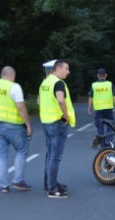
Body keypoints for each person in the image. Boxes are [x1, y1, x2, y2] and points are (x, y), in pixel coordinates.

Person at [39, 59, 76, 199]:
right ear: (58, 68)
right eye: (66, 68)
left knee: (50, 155)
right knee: (55, 157)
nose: (68, 71)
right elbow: (61, 100)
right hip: (57, 123)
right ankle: (52, 189)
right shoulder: (58, 83)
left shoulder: (45, 82)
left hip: (46, 122)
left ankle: (49, 183)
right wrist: (66, 116)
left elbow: (39, 100)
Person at [88, 68, 115, 148]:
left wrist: (89, 108)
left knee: (100, 126)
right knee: (111, 125)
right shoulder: (109, 84)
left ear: (98, 75)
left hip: (98, 109)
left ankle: (102, 143)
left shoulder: (94, 85)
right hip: (108, 108)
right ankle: (108, 141)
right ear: (106, 75)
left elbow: (90, 97)